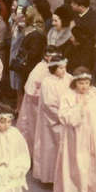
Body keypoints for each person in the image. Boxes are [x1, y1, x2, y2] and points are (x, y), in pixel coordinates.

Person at [54, 67, 96, 192]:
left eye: (86, 83)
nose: (84, 86)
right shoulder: (68, 96)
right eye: (80, 83)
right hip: (76, 138)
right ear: (75, 83)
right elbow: (64, 116)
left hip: (94, 137)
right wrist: (79, 107)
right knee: (79, 168)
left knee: (94, 168)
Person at [32, 55, 72, 183]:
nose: (63, 71)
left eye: (64, 67)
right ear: (53, 68)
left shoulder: (69, 79)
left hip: (68, 118)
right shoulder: (47, 82)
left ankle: (64, 177)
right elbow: (48, 103)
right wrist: (61, 115)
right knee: (51, 147)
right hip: (52, 119)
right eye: (60, 68)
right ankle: (49, 177)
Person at [16, 46, 58, 155]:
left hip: (47, 106)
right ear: (45, 56)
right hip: (35, 106)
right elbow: (30, 89)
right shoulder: (40, 68)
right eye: (50, 56)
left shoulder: (54, 68)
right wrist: (44, 95)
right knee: (34, 131)